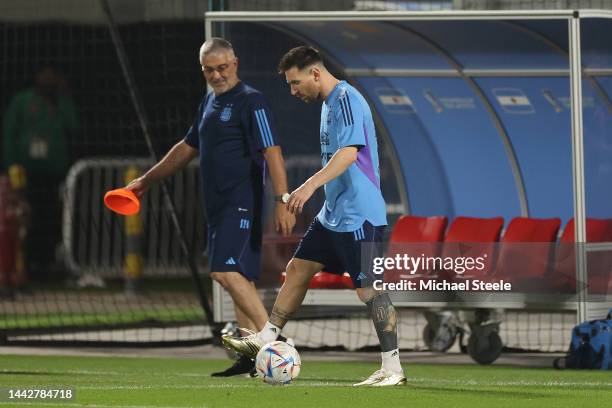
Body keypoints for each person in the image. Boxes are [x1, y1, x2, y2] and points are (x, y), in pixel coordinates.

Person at [222, 46, 405, 387]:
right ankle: (267, 337)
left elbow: (349, 154)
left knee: (371, 291)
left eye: (295, 83)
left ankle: (392, 368)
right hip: (334, 215)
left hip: (360, 216)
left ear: (315, 74)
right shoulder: (327, 105)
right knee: (297, 270)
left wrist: (307, 186)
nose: (293, 92)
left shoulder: (347, 98)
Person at [125, 38, 295, 377]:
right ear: (202, 70)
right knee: (239, 277)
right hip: (217, 208)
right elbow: (187, 148)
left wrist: (282, 200)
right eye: (209, 70)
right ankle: (250, 354)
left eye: (222, 67)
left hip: (241, 202)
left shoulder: (252, 101)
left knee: (224, 272)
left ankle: (276, 345)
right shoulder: (208, 102)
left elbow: (272, 152)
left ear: (235, 63)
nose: (217, 75)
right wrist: (146, 180)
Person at [2, 65, 78, 279]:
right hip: (25, 173)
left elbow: (73, 126)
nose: (48, 77)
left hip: (53, 172)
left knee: (51, 219)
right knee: (24, 219)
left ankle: (46, 264)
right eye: (43, 72)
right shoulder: (22, 100)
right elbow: (9, 133)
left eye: (52, 72)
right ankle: (24, 267)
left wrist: (64, 97)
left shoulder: (59, 100)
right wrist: (11, 166)